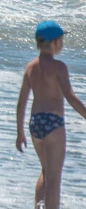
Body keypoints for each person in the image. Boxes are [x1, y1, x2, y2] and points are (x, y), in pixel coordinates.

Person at [16, 21, 86, 209]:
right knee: (54, 179)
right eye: (61, 40)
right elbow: (70, 97)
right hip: (54, 123)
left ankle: (37, 207)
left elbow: (21, 103)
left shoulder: (30, 68)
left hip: (35, 124)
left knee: (46, 172)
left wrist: (19, 132)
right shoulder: (59, 67)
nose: (62, 44)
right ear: (54, 43)